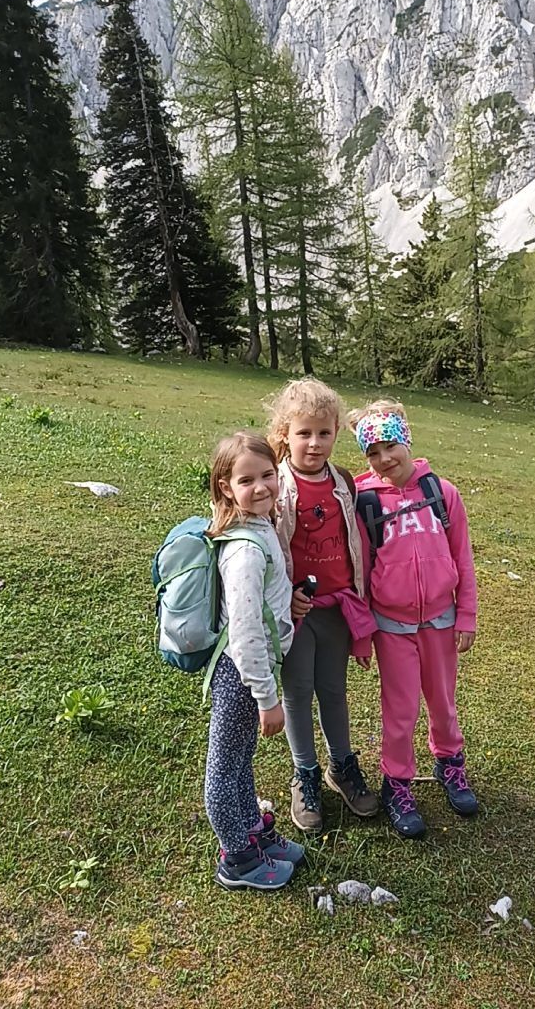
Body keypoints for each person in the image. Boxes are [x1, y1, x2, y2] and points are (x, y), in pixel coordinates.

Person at [348, 400, 479, 838]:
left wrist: (466, 615)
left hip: (441, 622)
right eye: (373, 452)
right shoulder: (365, 503)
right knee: (400, 711)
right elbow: (361, 572)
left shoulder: (443, 493)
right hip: (392, 628)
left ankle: (450, 764)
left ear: (406, 440)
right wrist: (362, 635)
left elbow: (463, 558)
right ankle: (397, 783)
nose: (384, 458)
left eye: (390, 446)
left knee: (443, 702)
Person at [267, 379, 379, 833]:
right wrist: (284, 595)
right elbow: (265, 548)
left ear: (335, 433)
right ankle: (306, 773)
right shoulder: (275, 484)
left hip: (338, 608)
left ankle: (342, 766)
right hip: (297, 614)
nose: (314, 443)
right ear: (285, 433)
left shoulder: (344, 482)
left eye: (324, 433)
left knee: (334, 690)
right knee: (297, 692)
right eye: (304, 433)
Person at [204, 430, 305, 890]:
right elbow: (245, 634)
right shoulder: (244, 551)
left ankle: (252, 832)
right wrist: (267, 698)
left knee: (241, 757)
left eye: (268, 475)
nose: (261, 487)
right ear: (226, 487)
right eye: (247, 480)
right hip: (242, 672)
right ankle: (238, 859)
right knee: (226, 766)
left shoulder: (259, 524)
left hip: (254, 669)